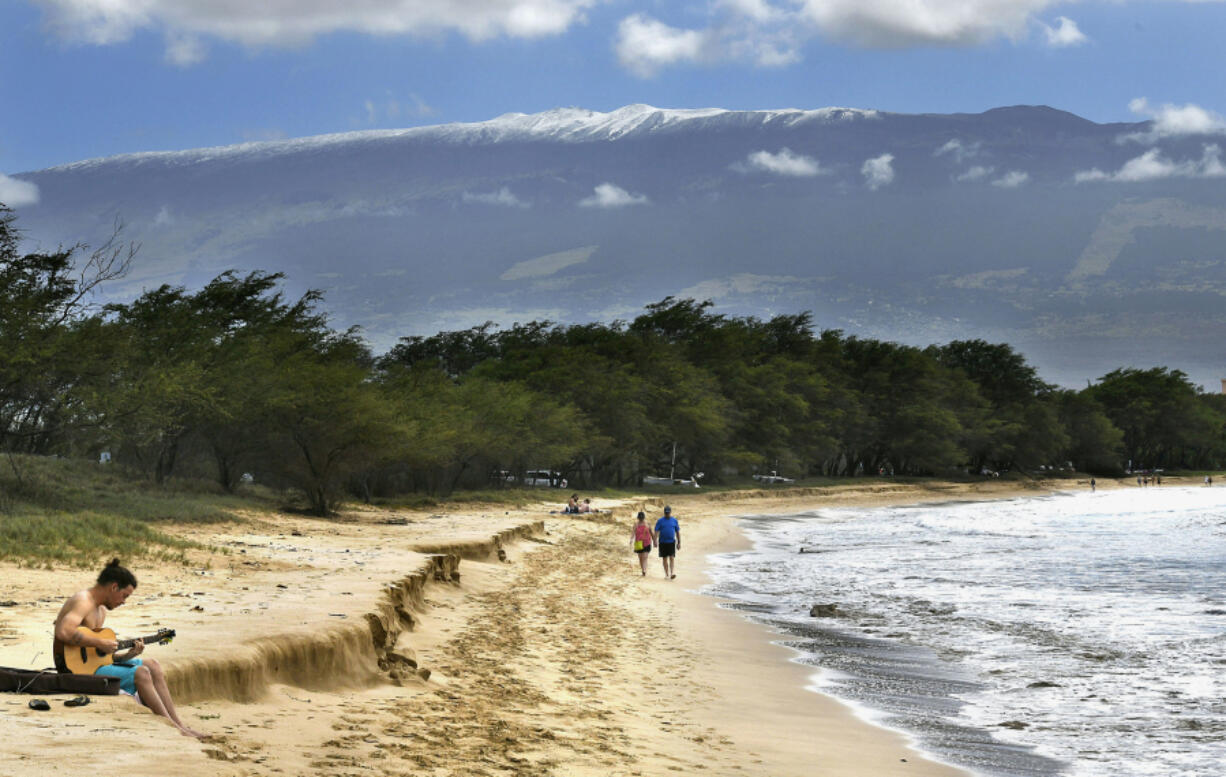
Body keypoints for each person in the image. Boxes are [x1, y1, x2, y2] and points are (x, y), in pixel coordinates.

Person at [53, 559, 208, 739]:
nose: (123, 602)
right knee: (141, 673)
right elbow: (63, 631)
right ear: (113, 587)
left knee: (153, 665)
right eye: (124, 596)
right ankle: (174, 728)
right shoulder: (83, 601)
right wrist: (99, 642)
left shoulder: (101, 610)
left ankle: (179, 724)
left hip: (91, 667)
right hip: (72, 670)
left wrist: (127, 655)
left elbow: (100, 657)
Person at [653, 505, 680, 580]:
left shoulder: (674, 520)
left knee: (671, 557)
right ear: (664, 512)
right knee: (664, 558)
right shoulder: (660, 521)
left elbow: (677, 532)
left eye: (668, 513)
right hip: (662, 542)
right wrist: (654, 541)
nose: (667, 514)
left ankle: (672, 573)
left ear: (670, 512)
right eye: (666, 513)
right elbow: (656, 531)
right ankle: (667, 574)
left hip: (671, 542)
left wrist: (679, 542)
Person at [631, 511, 653, 576]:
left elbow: (651, 532)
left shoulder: (647, 524)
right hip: (638, 543)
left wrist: (654, 540)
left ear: (644, 518)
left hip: (647, 542)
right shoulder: (636, 524)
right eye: (640, 518)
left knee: (645, 557)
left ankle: (644, 570)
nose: (641, 519)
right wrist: (631, 539)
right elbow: (633, 532)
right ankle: (642, 569)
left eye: (642, 518)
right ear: (638, 518)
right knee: (640, 557)